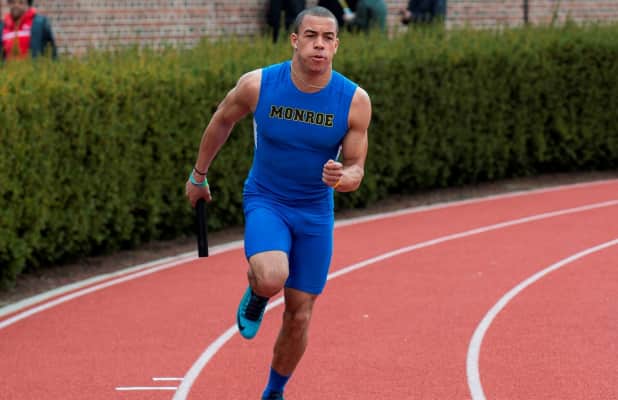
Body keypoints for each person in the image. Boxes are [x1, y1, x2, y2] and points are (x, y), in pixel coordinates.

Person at [185, 6, 371, 399]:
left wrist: (343, 178)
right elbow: (222, 120)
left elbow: (357, 167)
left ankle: (274, 391)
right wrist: (198, 176)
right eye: (311, 36)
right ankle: (258, 291)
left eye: (327, 38)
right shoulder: (259, 85)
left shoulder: (354, 100)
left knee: (299, 314)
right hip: (267, 200)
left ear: (337, 45)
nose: (319, 45)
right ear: (294, 40)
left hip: (315, 212)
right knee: (272, 276)